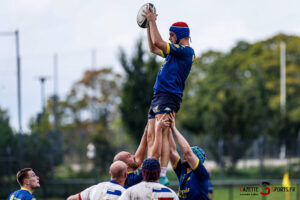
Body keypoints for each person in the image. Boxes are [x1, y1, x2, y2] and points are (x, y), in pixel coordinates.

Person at [142, 6, 195, 185]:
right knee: (151, 135)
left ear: (180, 35)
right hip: (159, 95)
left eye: (172, 35)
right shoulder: (175, 53)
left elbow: (158, 42)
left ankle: (161, 175)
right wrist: (148, 26)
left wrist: (152, 20)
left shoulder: (185, 51)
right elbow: (152, 47)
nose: (169, 38)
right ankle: (149, 170)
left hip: (169, 95)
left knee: (162, 133)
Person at [114, 116, 169, 188]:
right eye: (129, 156)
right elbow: (154, 157)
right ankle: (162, 174)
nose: (134, 156)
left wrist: (146, 130)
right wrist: (158, 129)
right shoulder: (132, 179)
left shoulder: (128, 175)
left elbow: (139, 156)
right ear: (126, 165)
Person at [168, 112, 210, 200]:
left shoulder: (201, 173)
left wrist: (173, 127)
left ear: (195, 159)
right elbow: (172, 151)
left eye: (188, 155)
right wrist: (167, 127)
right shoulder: (182, 170)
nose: (183, 155)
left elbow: (187, 151)